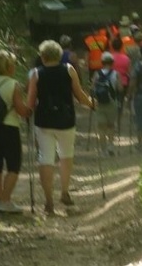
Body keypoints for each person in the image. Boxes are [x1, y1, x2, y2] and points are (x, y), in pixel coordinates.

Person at [27, 39, 96, 215]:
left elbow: (30, 102)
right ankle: (64, 192)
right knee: (66, 155)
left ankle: (49, 201)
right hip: (66, 119)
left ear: (43, 57)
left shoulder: (36, 74)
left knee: (45, 158)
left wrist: (26, 112)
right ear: (58, 55)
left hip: (44, 121)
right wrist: (91, 103)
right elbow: (79, 95)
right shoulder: (69, 70)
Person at [0, 49, 31, 213]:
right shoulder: (13, 84)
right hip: (9, 127)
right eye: (13, 64)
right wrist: (29, 110)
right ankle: (5, 200)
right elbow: (21, 110)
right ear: (9, 67)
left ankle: (1, 200)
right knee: (13, 165)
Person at [92, 52, 122, 156]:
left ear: (102, 62)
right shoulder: (116, 74)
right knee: (111, 125)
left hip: (99, 102)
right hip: (112, 102)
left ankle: (103, 150)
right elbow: (120, 88)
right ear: (112, 62)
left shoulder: (97, 73)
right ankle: (110, 146)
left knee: (101, 127)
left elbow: (93, 88)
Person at [108, 37, 131, 130]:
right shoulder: (126, 58)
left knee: (111, 102)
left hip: (111, 82)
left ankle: (111, 121)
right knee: (120, 103)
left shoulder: (109, 58)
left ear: (112, 46)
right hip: (123, 83)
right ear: (121, 46)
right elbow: (129, 72)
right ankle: (117, 122)